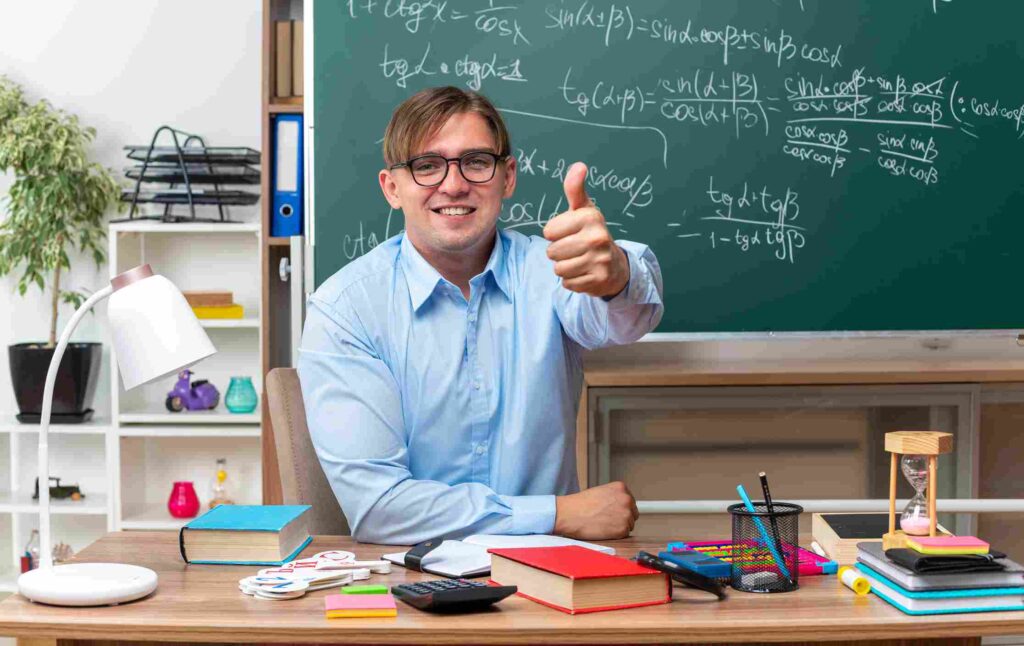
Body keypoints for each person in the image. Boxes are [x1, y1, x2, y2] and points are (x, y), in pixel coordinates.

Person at [298, 86, 663, 545]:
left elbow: (628, 320)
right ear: (392, 188)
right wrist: (556, 514)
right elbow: (380, 509)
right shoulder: (346, 309)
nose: (453, 185)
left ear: (507, 177)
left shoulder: (550, 272)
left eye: (475, 161)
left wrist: (616, 274)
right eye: (426, 165)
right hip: (407, 582)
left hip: (549, 577)